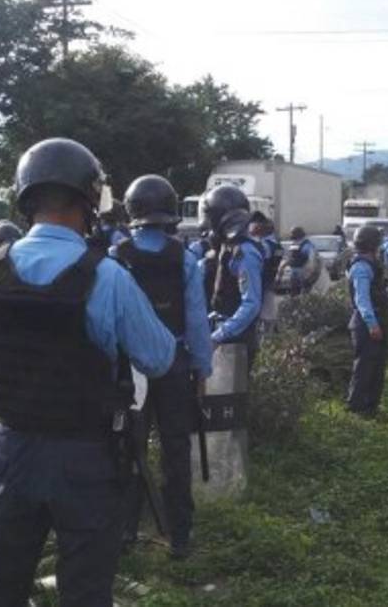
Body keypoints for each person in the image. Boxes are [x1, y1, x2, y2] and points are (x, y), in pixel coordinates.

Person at [0, 138, 177, 607]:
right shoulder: (108, 276)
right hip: (85, 457)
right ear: (87, 201)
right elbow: (158, 358)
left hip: (10, 450)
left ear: (26, 200)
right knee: (85, 590)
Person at [112, 174, 212, 560]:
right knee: (176, 449)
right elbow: (198, 323)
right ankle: (180, 537)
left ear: (132, 211)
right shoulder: (186, 259)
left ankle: (125, 531)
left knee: (127, 448)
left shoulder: (116, 258)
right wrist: (201, 370)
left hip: (131, 369)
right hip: (174, 366)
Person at [202, 184, 264, 366]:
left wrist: (220, 335)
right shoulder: (227, 248)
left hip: (236, 341)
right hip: (224, 335)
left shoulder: (245, 253)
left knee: (230, 394)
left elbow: (251, 304)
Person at [346, 225, 388, 416]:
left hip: (377, 320)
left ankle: (371, 407)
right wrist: (372, 324)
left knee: (377, 367)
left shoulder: (372, 263)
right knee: (365, 367)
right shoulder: (361, 266)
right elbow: (362, 299)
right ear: (373, 245)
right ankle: (357, 406)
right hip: (366, 324)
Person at [281, 226, 314, 296]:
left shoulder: (306, 244)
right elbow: (291, 256)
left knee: (304, 293)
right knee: (294, 292)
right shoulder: (295, 243)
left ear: (298, 234)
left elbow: (310, 258)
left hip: (303, 271)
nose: (291, 235)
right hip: (294, 272)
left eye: (292, 233)